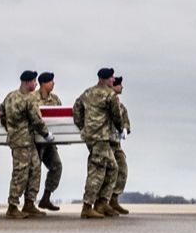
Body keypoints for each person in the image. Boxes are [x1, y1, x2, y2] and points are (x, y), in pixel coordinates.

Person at [73, 67, 123, 219]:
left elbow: (77, 107)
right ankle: (88, 206)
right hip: (100, 137)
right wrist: (121, 129)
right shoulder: (110, 95)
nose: (113, 80)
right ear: (103, 79)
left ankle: (102, 202)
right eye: (110, 78)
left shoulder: (87, 93)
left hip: (91, 137)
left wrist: (83, 126)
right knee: (98, 171)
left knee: (113, 167)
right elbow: (116, 116)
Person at [0, 70, 50, 219]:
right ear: (27, 82)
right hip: (21, 141)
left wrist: (11, 128)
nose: (35, 84)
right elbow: (37, 120)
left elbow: (1, 113)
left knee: (35, 168)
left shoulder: (9, 97)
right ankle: (12, 206)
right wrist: (47, 134)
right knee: (20, 172)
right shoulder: (29, 99)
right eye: (34, 81)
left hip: (24, 140)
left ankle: (29, 203)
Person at [35, 72, 63, 212]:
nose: (53, 84)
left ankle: (46, 198)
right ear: (43, 83)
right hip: (35, 142)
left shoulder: (55, 99)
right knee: (34, 170)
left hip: (49, 141)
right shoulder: (33, 98)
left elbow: (60, 118)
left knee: (56, 166)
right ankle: (29, 202)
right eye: (51, 81)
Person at [107, 75, 130, 215]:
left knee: (122, 169)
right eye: (119, 84)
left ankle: (113, 199)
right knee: (106, 172)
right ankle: (102, 202)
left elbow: (126, 122)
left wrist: (125, 130)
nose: (122, 87)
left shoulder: (121, 107)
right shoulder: (104, 103)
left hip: (116, 143)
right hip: (105, 142)